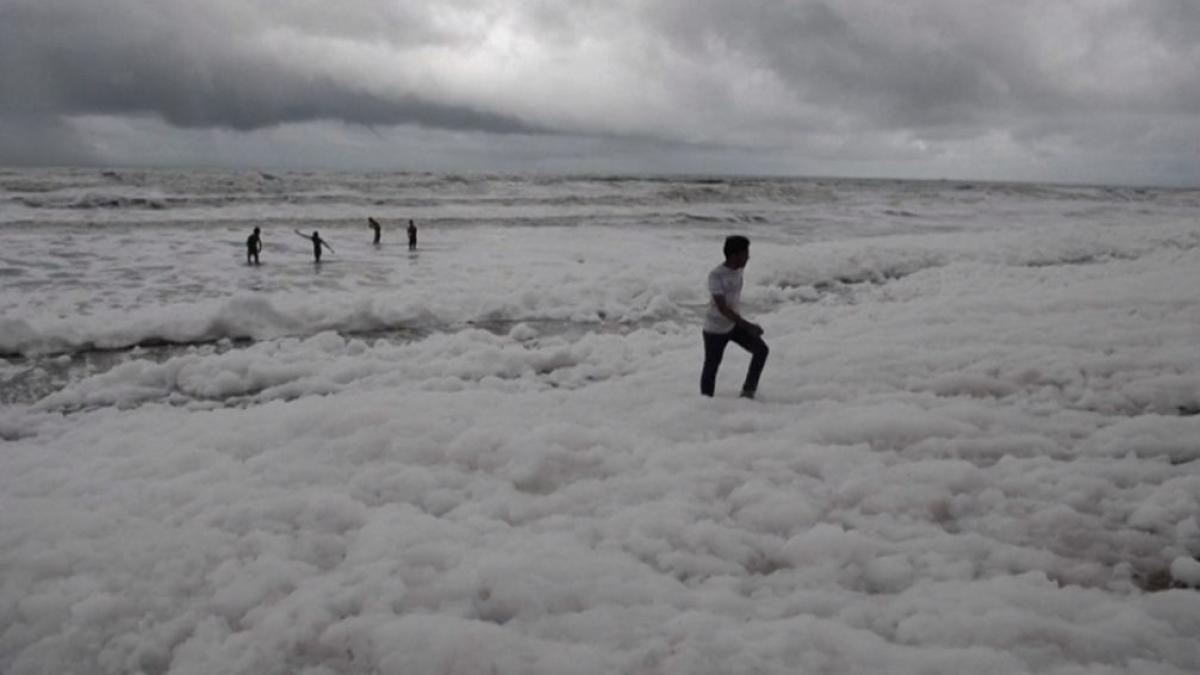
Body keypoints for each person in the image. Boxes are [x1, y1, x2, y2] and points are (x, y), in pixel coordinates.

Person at [700, 235, 769, 399]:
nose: (748, 257)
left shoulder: (738, 271)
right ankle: (705, 404)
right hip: (714, 330)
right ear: (734, 255)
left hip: (733, 325)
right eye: (745, 253)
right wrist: (748, 325)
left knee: (761, 350)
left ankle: (748, 392)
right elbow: (722, 308)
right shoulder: (716, 275)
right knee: (711, 367)